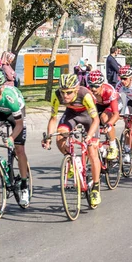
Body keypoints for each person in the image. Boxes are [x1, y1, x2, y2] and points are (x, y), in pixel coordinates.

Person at [43, 74, 102, 207]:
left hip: (88, 117)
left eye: (69, 92)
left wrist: (89, 136)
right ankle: (72, 160)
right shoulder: (56, 95)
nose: (65, 96)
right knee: (60, 136)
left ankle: (96, 188)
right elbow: (53, 118)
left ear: (76, 89)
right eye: (63, 92)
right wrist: (48, 136)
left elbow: (96, 120)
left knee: (92, 151)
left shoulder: (85, 94)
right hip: (71, 115)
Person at [0, 70, 30, 206]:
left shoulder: (10, 97)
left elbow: (19, 124)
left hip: (14, 114)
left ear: (2, 88)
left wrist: (11, 137)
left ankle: (24, 185)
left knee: (19, 148)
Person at [87, 70, 120, 160]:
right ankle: (100, 148)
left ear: (102, 84)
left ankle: (113, 146)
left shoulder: (109, 91)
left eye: (96, 86)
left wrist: (109, 124)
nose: (93, 89)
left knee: (104, 118)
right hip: (99, 105)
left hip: (112, 104)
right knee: (90, 123)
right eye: (91, 86)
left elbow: (116, 114)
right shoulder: (88, 92)